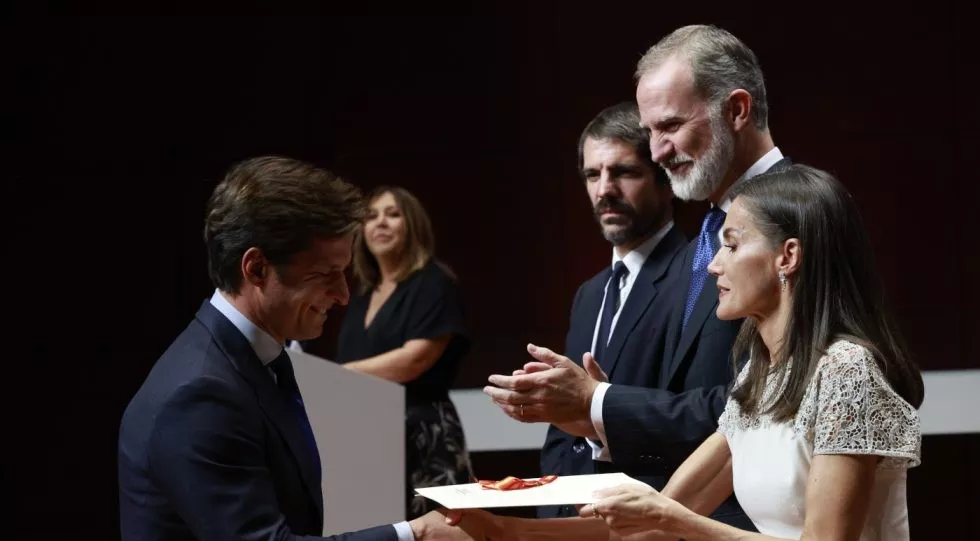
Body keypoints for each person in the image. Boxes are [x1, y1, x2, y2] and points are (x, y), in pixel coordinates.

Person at [484, 24, 788, 528]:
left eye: (670, 126)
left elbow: (765, 407)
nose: (659, 151)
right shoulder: (711, 232)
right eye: (650, 132)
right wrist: (594, 416)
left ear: (737, 111)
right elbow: (730, 421)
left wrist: (599, 403)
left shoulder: (804, 208)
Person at [117, 156, 484, 541]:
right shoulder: (200, 394)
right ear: (257, 268)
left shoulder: (262, 361)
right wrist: (417, 534)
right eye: (326, 274)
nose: (343, 295)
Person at [581, 164, 924, 539]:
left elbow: (668, 517)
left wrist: (671, 519)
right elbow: (651, 524)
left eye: (731, 245)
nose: (714, 265)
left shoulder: (846, 370)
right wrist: (527, 530)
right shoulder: (758, 376)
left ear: (787, 256)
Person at [538, 102, 686, 518]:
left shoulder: (702, 276)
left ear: (666, 182)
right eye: (592, 175)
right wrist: (554, 515)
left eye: (624, 172)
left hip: (652, 515)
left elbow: (698, 416)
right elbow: (563, 426)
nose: (604, 190)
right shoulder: (589, 294)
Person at [336, 186, 473, 520]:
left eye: (393, 214)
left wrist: (343, 374)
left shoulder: (433, 282)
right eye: (371, 216)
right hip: (367, 434)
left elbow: (415, 359)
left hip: (423, 433)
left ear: (413, 225)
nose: (380, 223)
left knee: (432, 530)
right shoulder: (363, 295)